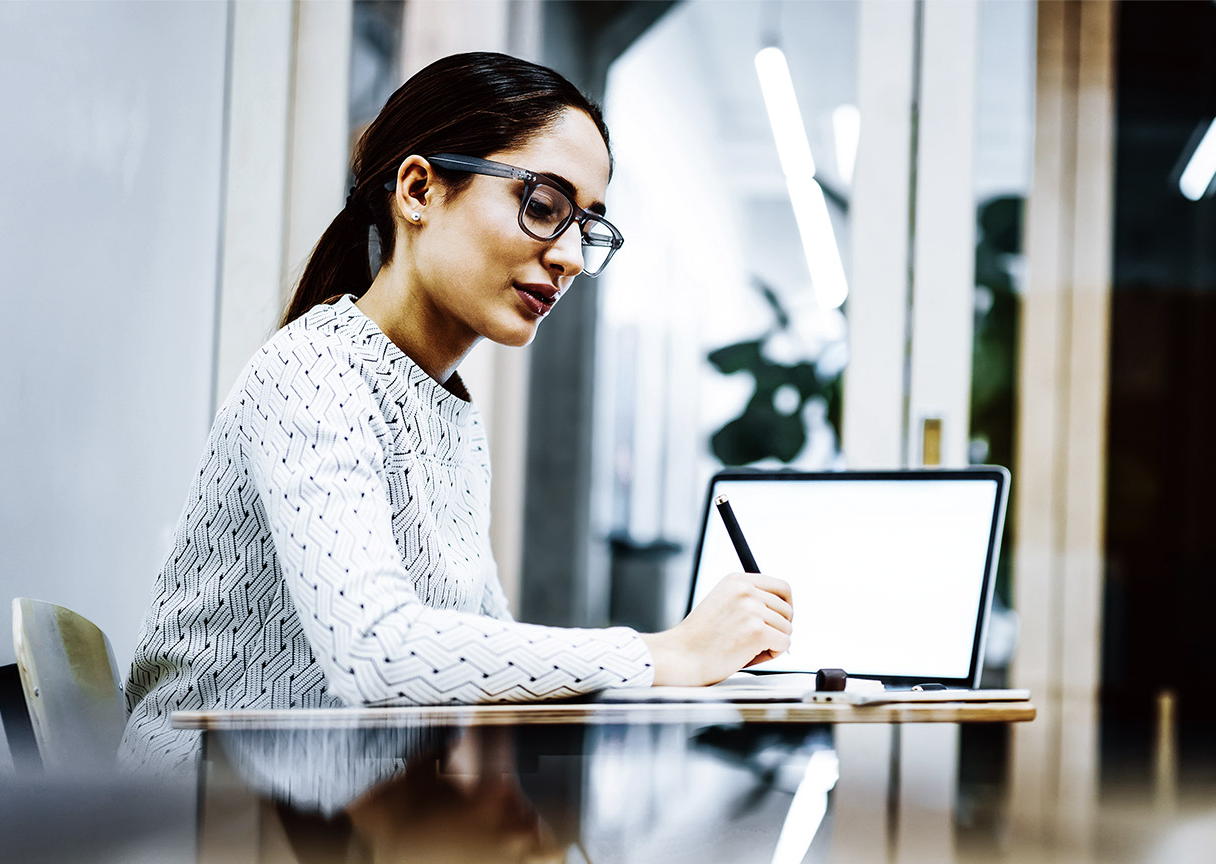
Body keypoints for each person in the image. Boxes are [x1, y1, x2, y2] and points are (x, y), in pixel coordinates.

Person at [119, 52, 794, 773]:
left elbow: (482, 648)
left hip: (347, 816)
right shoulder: (310, 370)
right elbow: (380, 655)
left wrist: (678, 665)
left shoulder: (449, 415)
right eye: (543, 207)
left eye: (586, 227)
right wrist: (662, 653)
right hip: (207, 819)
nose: (568, 256)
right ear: (418, 189)